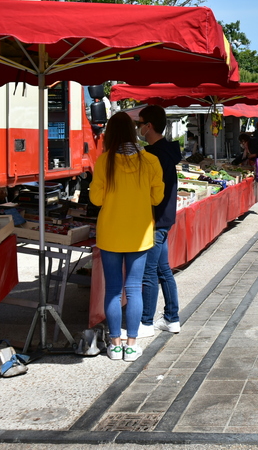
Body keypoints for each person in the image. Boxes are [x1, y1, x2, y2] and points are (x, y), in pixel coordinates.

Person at [90, 112, 164, 362]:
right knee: (134, 289)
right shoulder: (150, 160)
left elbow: (96, 199)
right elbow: (157, 198)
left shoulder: (104, 161)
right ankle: (131, 345)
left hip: (110, 233)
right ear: (134, 132)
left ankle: (114, 344)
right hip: (139, 234)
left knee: (112, 290)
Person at [136, 105, 182, 335]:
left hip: (155, 219)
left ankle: (145, 322)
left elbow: (153, 191)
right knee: (163, 270)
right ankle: (172, 318)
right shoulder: (167, 150)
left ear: (149, 126)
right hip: (165, 217)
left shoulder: (154, 154)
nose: (138, 128)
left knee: (150, 272)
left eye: (140, 123)